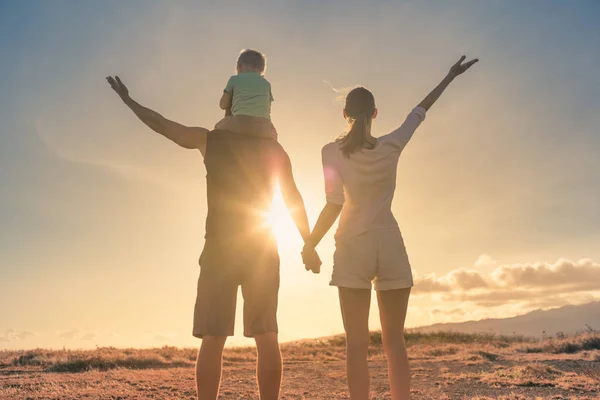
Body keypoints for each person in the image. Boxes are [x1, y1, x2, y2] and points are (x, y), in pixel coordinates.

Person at [106, 75, 320, 400]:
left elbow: (163, 125)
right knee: (267, 335)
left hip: (220, 250)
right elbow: (293, 199)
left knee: (213, 337)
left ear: (232, 103)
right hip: (261, 248)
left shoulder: (211, 140)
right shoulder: (274, 149)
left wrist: (129, 102)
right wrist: (308, 244)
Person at [302, 56, 478, 399]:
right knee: (394, 343)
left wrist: (310, 244)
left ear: (345, 114)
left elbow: (334, 203)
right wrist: (449, 76)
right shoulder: (392, 144)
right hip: (390, 245)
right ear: (376, 113)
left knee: (356, 345)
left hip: (353, 247)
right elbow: (419, 112)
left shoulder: (330, 152)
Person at [216, 48, 278, 140]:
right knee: (274, 133)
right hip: (264, 128)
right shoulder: (266, 84)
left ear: (239, 67)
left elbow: (223, 105)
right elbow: (267, 108)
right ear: (262, 69)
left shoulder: (234, 79)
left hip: (241, 123)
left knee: (218, 127)